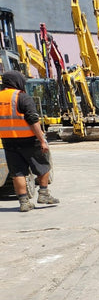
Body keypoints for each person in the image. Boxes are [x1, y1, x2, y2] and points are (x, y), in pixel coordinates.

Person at [0, 70, 59, 212]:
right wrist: (42, 140)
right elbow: (33, 120)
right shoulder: (22, 97)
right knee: (43, 166)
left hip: (8, 141)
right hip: (29, 140)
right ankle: (44, 194)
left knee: (17, 172)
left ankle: (24, 202)